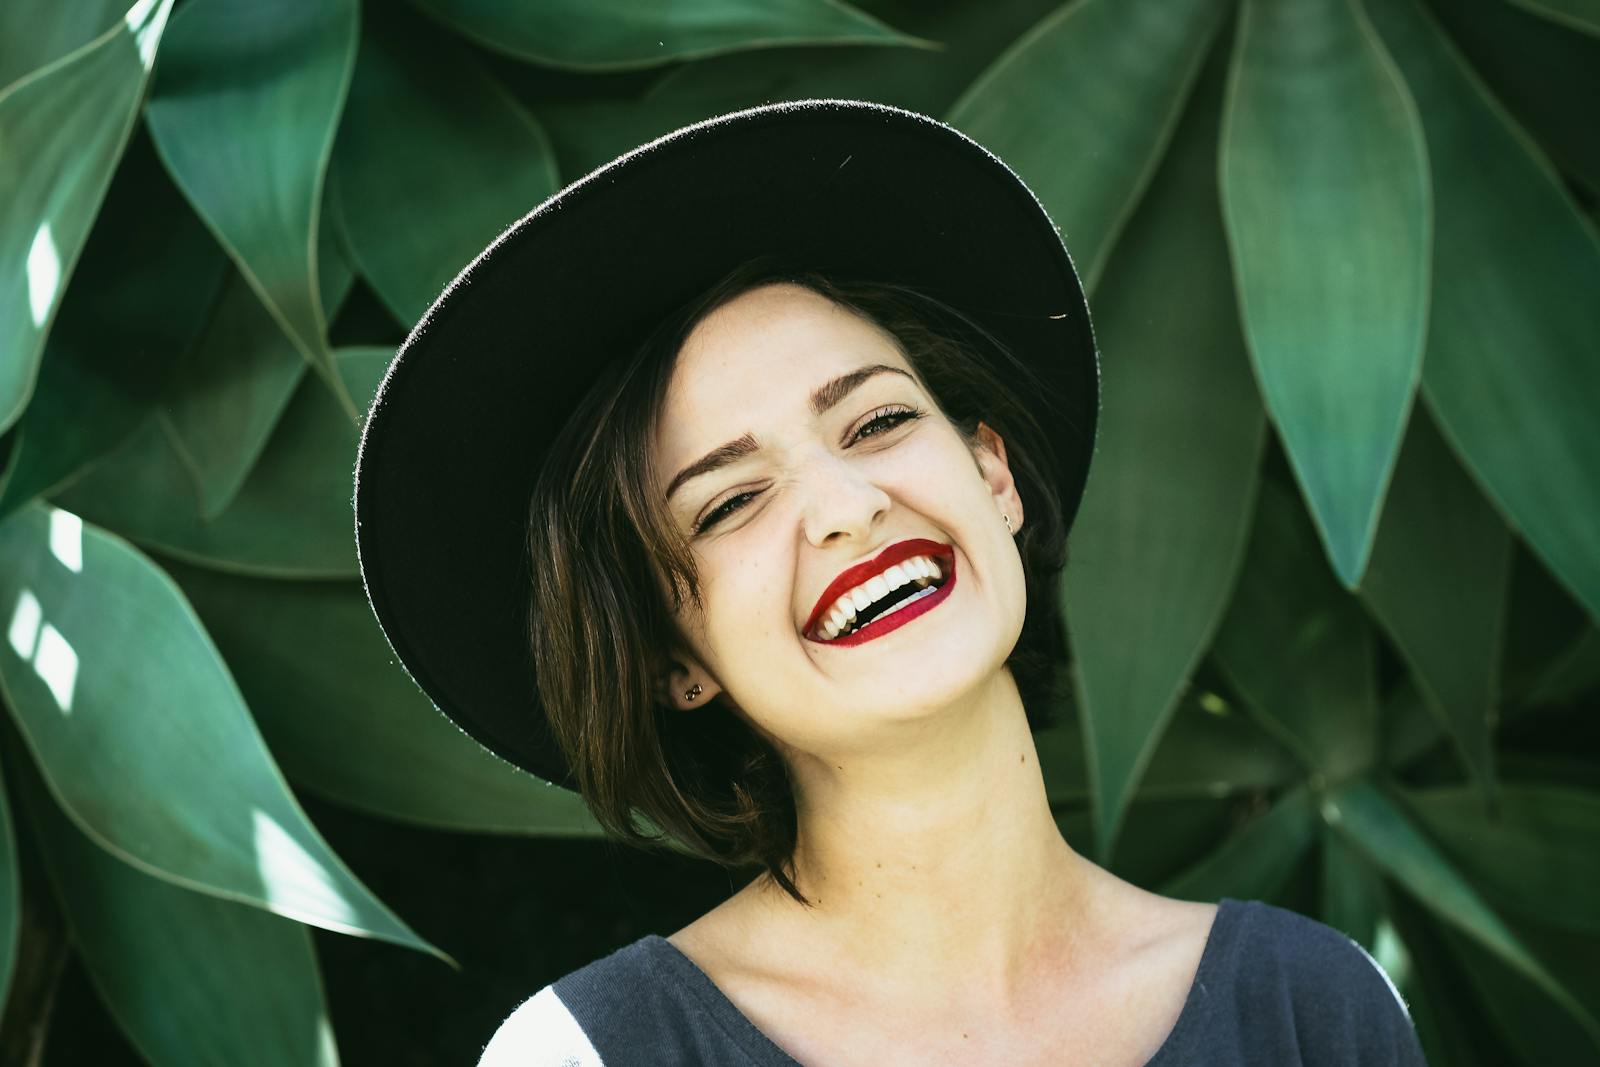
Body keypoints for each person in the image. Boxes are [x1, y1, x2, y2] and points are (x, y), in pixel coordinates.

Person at [353, 100, 1426, 1066]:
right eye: (729, 502)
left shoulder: (1315, 1010)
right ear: (669, 658)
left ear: (992, 472)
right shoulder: (593, 1055)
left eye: (876, 421)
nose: (847, 504)